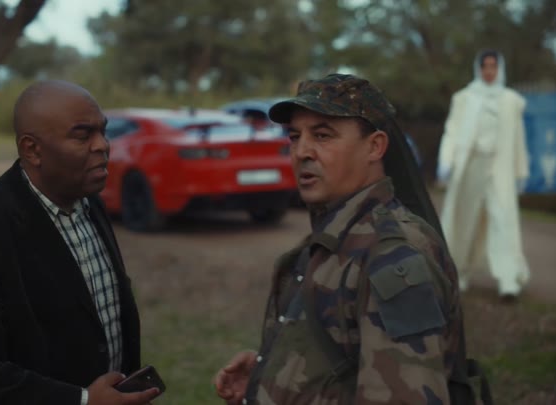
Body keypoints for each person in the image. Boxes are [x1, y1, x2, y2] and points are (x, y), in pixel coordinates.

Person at [214, 74, 468, 404]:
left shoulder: (393, 258)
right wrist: (271, 377)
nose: (301, 151)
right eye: (295, 136)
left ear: (375, 147)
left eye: (322, 135)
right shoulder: (336, 236)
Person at [0, 80, 160, 405]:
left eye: (103, 131)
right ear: (32, 149)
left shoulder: (90, 202)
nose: (103, 145)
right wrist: (82, 400)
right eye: (83, 135)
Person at [437, 49, 530, 298]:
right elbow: (452, 131)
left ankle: (508, 279)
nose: (489, 71)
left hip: (500, 169)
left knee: (503, 221)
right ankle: (460, 272)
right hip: (471, 167)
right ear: (478, 69)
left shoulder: (511, 101)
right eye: (485, 66)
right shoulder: (464, 98)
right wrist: (446, 160)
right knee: (466, 221)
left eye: (493, 66)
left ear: (500, 69)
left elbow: (518, 139)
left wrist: (520, 171)